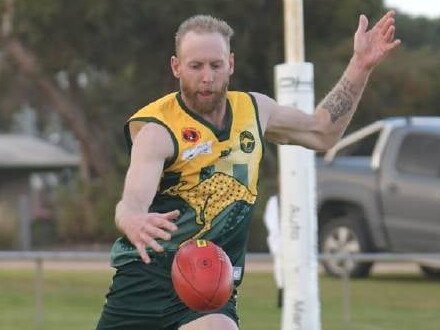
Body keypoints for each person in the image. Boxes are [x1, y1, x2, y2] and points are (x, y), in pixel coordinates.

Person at [96, 12, 400, 330]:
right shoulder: (158, 130)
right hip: (143, 282)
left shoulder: (255, 110)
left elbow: (321, 131)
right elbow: (132, 201)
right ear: (176, 67)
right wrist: (131, 218)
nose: (207, 76)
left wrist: (361, 65)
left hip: (209, 285)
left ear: (231, 63)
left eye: (215, 65)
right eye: (195, 66)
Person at [263, 195, 283, 308]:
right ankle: (281, 295)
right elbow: (271, 221)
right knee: (280, 268)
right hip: (280, 242)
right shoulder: (274, 201)